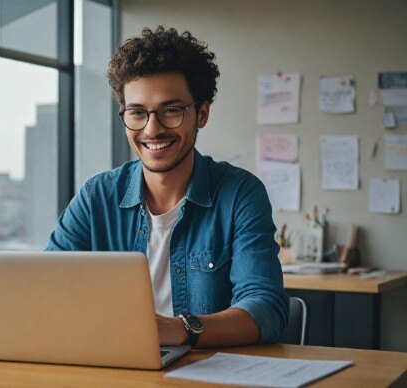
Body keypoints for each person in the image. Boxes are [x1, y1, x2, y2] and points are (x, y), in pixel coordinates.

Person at [45, 26, 288, 348]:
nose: (152, 129)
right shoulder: (97, 196)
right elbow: (46, 286)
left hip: (205, 373)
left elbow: (266, 309)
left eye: (170, 111)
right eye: (137, 113)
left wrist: (180, 329)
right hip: (112, 364)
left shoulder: (240, 193)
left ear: (201, 114)